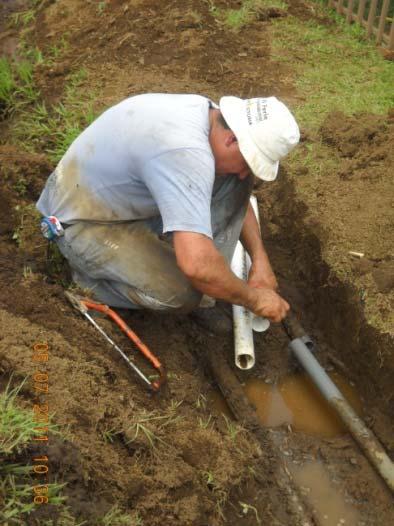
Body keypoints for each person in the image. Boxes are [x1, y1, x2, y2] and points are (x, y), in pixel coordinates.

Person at [36, 93, 300, 332]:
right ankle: (90, 281)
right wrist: (254, 299)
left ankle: (212, 287)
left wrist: (260, 259)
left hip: (123, 198)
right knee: (182, 291)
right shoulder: (185, 154)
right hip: (84, 222)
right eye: (247, 162)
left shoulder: (212, 118)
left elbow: (239, 191)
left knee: (236, 182)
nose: (245, 172)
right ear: (232, 139)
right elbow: (195, 266)